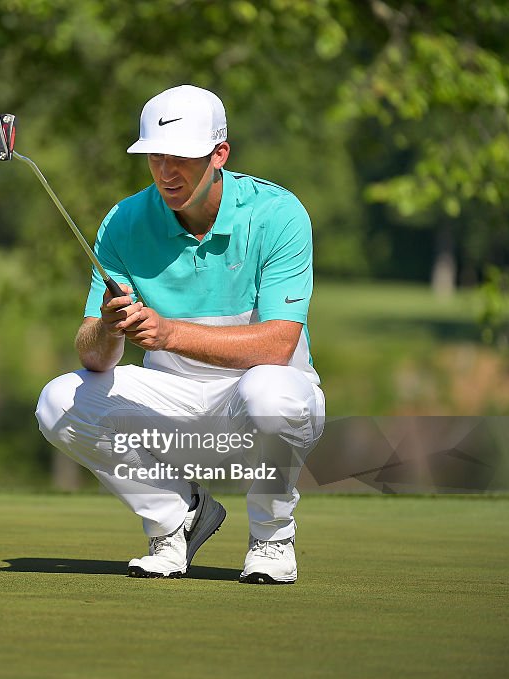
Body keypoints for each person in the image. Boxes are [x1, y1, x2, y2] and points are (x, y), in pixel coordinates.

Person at [35, 85, 325, 584]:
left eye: (183, 158)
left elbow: (278, 345)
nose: (167, 172)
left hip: (258, 402)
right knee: (58, 402)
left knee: (270, 393)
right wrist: (107, 328)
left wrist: (169, 333)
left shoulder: (277, 214)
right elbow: (94, 355)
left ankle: (272, 539)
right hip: (170, 405)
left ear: (219, 154)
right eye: (156, 157)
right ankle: (178, 519)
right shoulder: (124, 221)